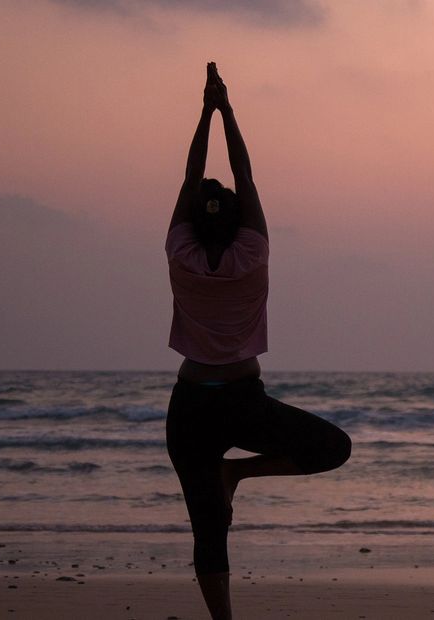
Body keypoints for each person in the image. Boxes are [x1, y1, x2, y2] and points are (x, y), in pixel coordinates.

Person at [165, 62, 351, 620]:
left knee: (207, 528)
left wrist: (204, 111)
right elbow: (244, 175)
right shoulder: (254, 254)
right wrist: (225, 108)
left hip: (191, 405)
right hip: (243, 401)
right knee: (332, 448)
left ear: (193, 222)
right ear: (240, 221)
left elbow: (191, 175)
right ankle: (239, 472)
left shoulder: (180, 252)